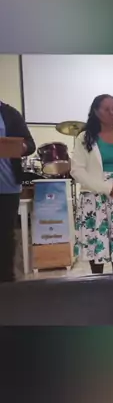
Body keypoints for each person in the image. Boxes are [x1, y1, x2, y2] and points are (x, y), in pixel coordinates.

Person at [71, 94, 113, 274]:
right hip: (95, 198)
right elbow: (77, 170)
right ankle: (97, 281)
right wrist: (107, 188)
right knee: (97, 244)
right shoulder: (84, 137)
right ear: (96, 111)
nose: (112, 113)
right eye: (107, 109)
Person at [0, 100, 36, 282]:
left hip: (7, 186)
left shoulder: (10, 114)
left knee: (5, 236)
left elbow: (30, 144)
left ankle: (6, 282)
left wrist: (20, 147)